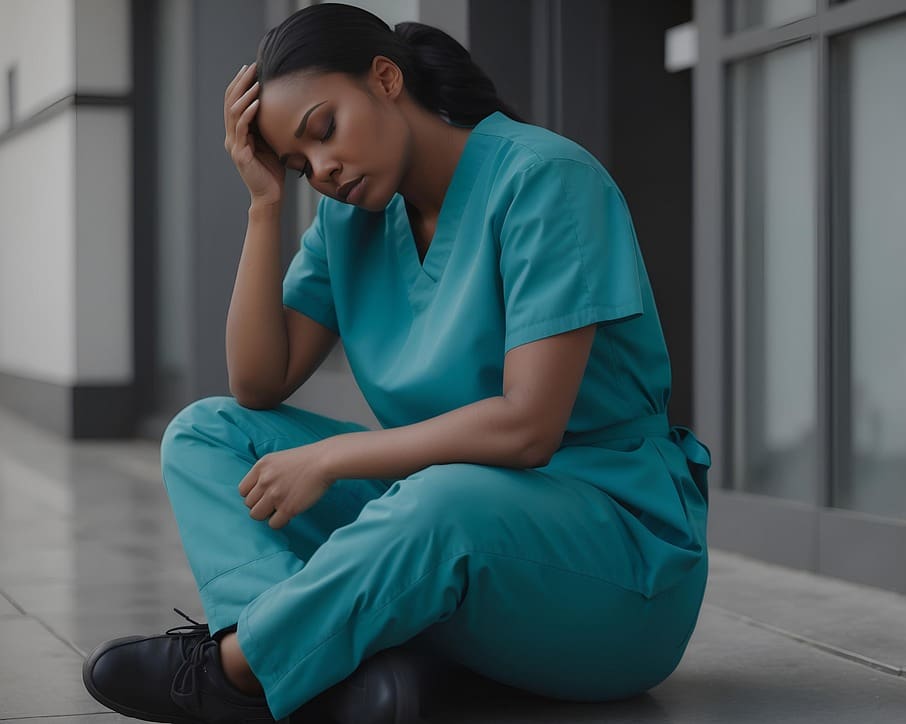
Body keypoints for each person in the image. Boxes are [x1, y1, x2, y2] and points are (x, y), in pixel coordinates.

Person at [80, 4, 710, 722]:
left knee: (442, 501)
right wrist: (263, 204)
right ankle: (323, 660)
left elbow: (528, 428)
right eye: (298, 163)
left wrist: (334, 458)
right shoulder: (349, 219)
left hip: (614, 569)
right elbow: (256, 382)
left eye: (323, 130)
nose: (322, 169)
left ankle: (237, 669)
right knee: (205, 435)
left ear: (385, 78)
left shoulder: (546, 180)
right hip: (439, 519)